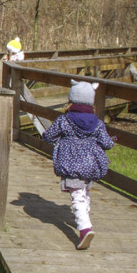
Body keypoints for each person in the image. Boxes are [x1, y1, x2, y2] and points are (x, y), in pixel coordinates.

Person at [42, 80, 115, 250]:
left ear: (71, 100)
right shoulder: (97, 123)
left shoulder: (64, 120)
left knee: (77, 195)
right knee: (84, 192)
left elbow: (49, 136)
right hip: (91, 164)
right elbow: (107, 143)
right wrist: (112, 140)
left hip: (71, 163)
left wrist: (48, 136)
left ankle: (84, 228)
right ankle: (84, 217)